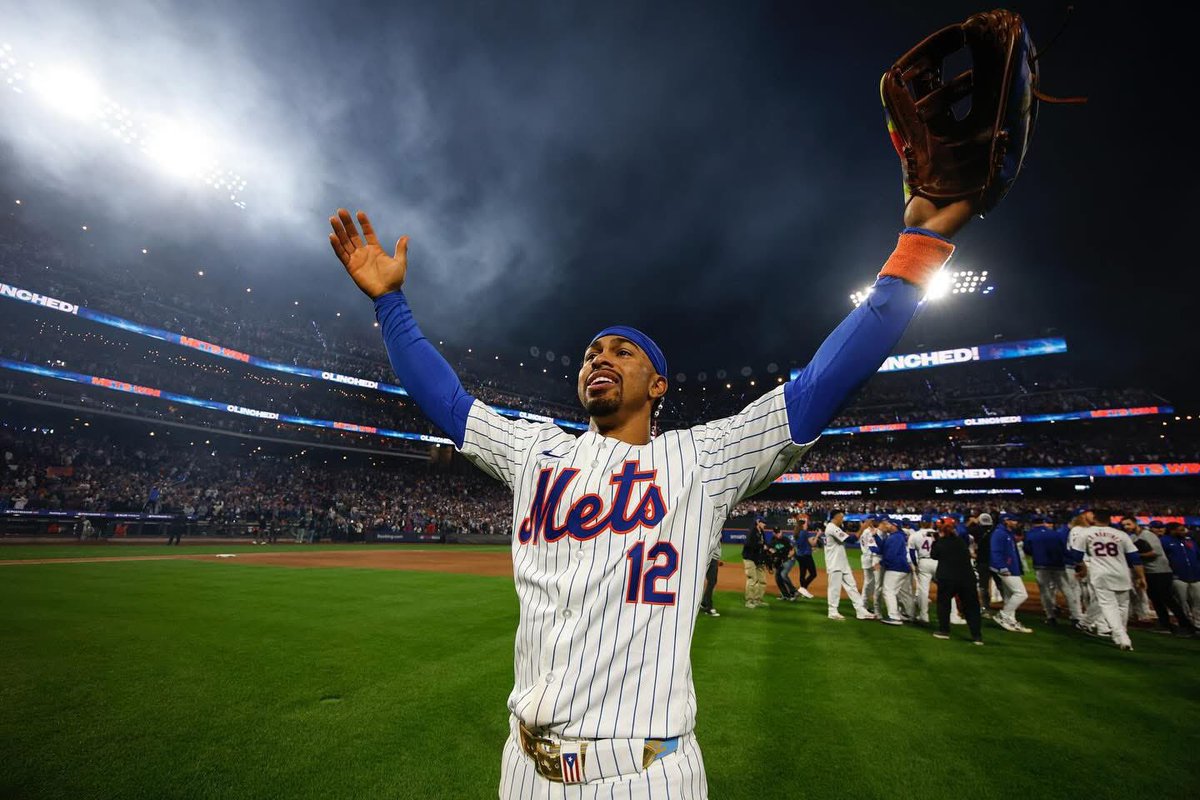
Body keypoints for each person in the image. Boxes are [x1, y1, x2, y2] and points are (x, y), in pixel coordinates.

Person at [328, 183, 970, 795]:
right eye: (591, 353)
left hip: (644, 773)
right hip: (522, 768)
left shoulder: (701, 460)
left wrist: (917, 249)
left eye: (622, 352)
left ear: (658, 385)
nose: (600, 358)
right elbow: (446, 400)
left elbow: (817, 390)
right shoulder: (533, 451)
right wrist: (391, 304)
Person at [1068, 510, 1146, 651]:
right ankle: (1119, 634)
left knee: (1108, 606)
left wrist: (1083, 567)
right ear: (1109, 520)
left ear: (1094, 519)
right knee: (1122, 606)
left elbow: (1076, 555)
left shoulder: (1085, 533)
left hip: (1101, 574)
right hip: (1122, 573)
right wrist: (1141, 577)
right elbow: (1135, 558)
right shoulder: (1121, 534)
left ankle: (1122, 637)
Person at [1129, 518, 1193, 636]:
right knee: (1156, 599)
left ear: (1135, 524)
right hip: (1149, 571)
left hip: (1161, 571)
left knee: (1167, 599)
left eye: (1129, 524)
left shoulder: (1148, 535)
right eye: (1124, 525)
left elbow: (1155, 553)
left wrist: (1135, 556)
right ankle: (1165, 624)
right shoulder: (1133, 537)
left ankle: (1186, 625)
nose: (1126, 526)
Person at [930, 517, 983, 645]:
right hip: (967, 577)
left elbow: (934, 555)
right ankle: (977, 636)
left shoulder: (941, 542)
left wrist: (936, 541)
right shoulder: (961, 541)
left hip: (948, 577)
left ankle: (944, 631)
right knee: (971, 606)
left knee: (944, 604)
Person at [1024, 515, 1077, 625]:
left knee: (1045, 591)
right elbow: (1064, 550)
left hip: (1041, 566)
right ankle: (1075, 616)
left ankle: (1050, 616)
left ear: (1032, 524)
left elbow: (1027, 550)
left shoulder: (1030, 534)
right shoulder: (1055, 533)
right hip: (1058, 565)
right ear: (1043, 522)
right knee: (1067, 590)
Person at [823, 511, 875, 621]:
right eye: (841, 517)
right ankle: (832, 611)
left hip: (842, 563)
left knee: (852, 586)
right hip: (834, 563)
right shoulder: (832, 528)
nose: (842, 519)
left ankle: (860, 611)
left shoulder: (835, 528)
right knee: (834, 588)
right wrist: (863, 527)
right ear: (836, 517)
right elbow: (851, 540)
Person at [989, 515, 1032, 633]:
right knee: (1021, 594)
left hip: (1011, 567)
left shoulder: (1007, 533)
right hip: (1006, 569)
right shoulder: (999, 533)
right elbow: (995, 551)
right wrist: (1001, 567)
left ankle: (1011, 620)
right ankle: (1003, 615)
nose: (1016, 522)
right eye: (1013, 520)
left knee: (1009, 596)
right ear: (1006, 521)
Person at [872, 517, 915, 625]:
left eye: (888, 524)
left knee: (888, 591)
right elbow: (884, 547)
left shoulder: (895, 537)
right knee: (903, 592)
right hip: (903, 567)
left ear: (894, 526)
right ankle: (909, 614)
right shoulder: (896, 536)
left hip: (896, 567)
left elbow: (890, 554)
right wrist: (876, 536)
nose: (886, 526)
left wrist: (881, 563)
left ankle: (894, 617)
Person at [1161, 522, 1200, 629]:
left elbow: (1197, 555)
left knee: (1198, 601)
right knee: (1182, 603)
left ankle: (1198, 624)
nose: (1184, 531)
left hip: (1196, 576)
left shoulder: (1189, 540)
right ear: (1172, 530)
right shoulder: (1165, 541)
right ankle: (1186, 624)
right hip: (1178, 576)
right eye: (1181, 529)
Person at [907, 518, 937, 624]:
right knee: (946, 588)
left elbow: (911, 552)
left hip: (923, 561)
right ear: (931, 523)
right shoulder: (937, 534)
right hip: (938, 562)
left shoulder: (915, 535)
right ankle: (952, 614)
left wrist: (915, 564)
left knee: (923, 590)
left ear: (920, 523)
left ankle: (924, 616)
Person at [743, 518, 770, 609]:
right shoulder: (752, 532)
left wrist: (767, 549)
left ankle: (758, 600)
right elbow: (749, 544)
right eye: (763, 523)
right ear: (758, 522)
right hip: (750, 558)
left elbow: (765, 544)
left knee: (762, 580)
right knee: (752, 579)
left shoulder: (761, 532)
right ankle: (749, 601)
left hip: (759, 559)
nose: (765, 525)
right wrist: (762, 546)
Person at [858, 515, 882, 614]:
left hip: (866, 557)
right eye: (875, 520)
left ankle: (864, 604)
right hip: (869, 557)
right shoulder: (868, 531)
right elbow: (872, 547)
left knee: (869, 583)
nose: (877, 522)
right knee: (869, 583)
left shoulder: (865, 531)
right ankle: (863, 605)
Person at [768, 527, 799, 601]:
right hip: (781, 560)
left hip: (790, 559)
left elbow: (792, 551)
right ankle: (785, 595)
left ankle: (794, 592)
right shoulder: (773, 540)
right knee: (778, 577)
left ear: (781, 531)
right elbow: (770, 549)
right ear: (773, 533)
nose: (778, 534)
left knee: (783, 574)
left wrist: (786, 558)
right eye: (776, 533)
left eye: (779, 532)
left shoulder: (785, 539)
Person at [792, 523, 817, 599]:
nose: (807, 525)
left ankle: (803, 591)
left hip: (799, 556)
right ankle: (802, 589)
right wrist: (818, 535)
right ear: (802, 525)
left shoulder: (797, 533)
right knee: (813, 574)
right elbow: (813, 544)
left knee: (802, 574)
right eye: (805, 524)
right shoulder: (805, 532)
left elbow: (803, 543)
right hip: (806, 556)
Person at [698, 543, 722, 618]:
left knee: (713, 581)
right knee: (711, 582)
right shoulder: (712, 535)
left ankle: (704, 603)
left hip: (713, 558)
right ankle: (708, 607)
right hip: (711, 558)